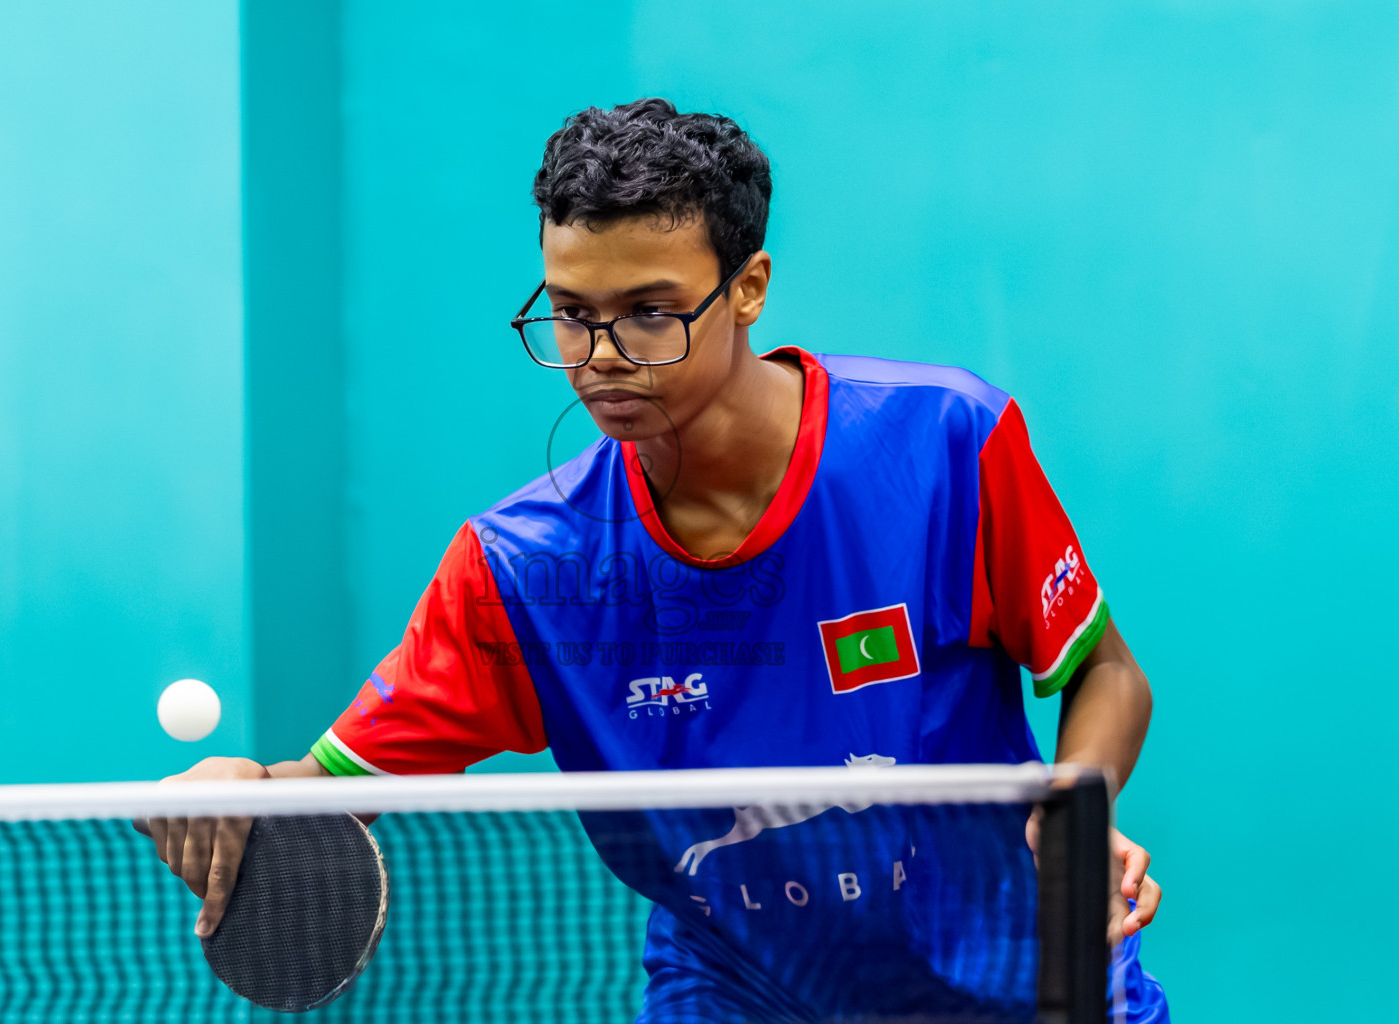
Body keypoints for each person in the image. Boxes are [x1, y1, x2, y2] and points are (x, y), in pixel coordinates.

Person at [147, 98, 1167, 1022]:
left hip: (1021, 977)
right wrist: (243, 792)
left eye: (648, 312)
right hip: (738, 992)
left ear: (749, 287)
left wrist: (1078, 811)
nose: (599, 355)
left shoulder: (943, 442)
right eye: (571, 312)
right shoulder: (522, 568)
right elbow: (328, 785)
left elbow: (1103, 672)